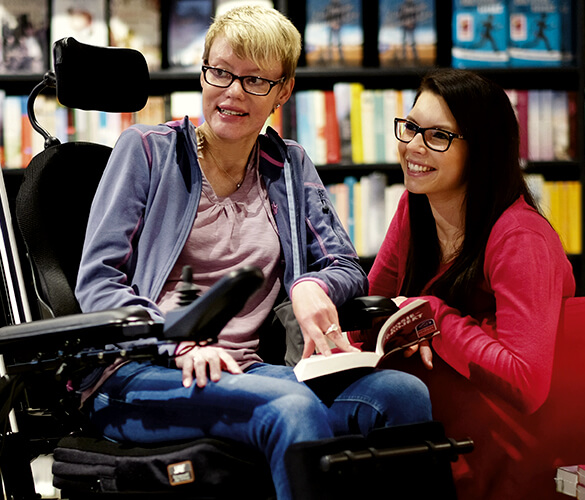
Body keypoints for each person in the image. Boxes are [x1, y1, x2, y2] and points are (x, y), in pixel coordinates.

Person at [74, 5, 431, 499]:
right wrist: (178, 342)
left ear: (283, 91)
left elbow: (346, 266)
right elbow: (98, 281)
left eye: (256, 80)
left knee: (402, 395)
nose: (233, 92)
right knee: (290, 408)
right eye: (220, 72)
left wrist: (312, 285)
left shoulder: (288, 166)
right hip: (142, 372)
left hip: (252, 369)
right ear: (203, 72)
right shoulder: (147, 150)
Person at [366, 69, 576, 497]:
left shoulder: (520, 237)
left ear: (482, 150)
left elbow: (526, 381)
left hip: (502, 447)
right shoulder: (415, 206)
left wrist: (432, 316)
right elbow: (373, 307)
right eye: (410, 128)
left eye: (438, 135)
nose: (413, 147)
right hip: (430, 423)